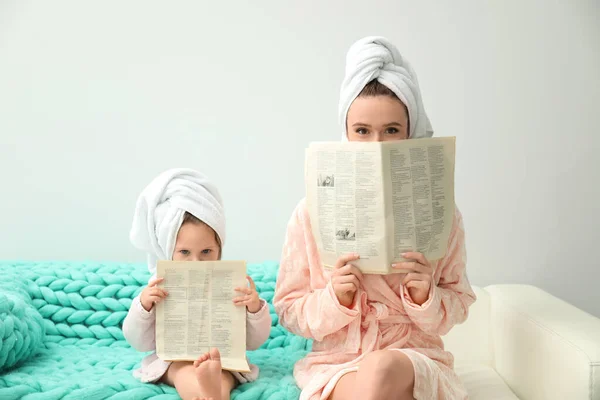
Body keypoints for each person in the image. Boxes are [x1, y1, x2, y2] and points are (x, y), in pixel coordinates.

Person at [273, 36, 476, 400]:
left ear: (410, 132)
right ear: (346, 132)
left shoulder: (443, 213)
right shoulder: (309, 212)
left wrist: (426, 296)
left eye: (392, 131)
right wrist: (334, 298)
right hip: (338, 364)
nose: (376, 145)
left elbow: (459, 302)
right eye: (362, 131)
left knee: (381, 368)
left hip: (411, 358)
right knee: (369, 381)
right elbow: (289, 309)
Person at [123, 168, 271, 400]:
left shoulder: (235, 283)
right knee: (182, 374)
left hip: (223, 360)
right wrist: (143, 307)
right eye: (184, 252)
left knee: (225, 375)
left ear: (219, 249)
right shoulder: (158, 285)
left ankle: (213, 392)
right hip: (175, 359)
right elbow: (138, 341)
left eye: (206, 251)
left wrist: (254, 309)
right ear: (167, 250)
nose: (196, 261)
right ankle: (205, 393)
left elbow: (253, 342)